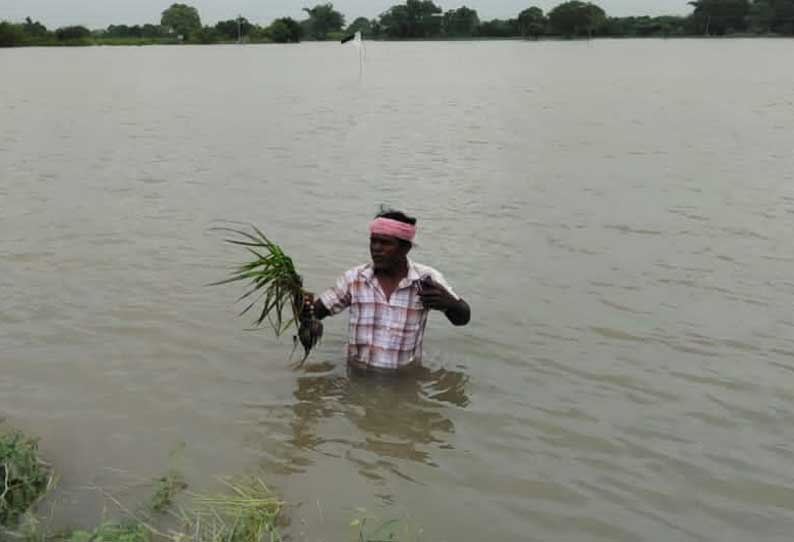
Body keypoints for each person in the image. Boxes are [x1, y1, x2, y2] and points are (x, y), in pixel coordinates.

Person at [306, 209, 471, 372]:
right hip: (359, 376)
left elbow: (462, 319)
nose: (376, 248)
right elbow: (315, 312)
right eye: (373, 241)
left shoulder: (425, 280)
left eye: (385, 243)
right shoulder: (355, 279)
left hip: (402, 378)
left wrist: (450, 303)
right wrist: (304, 307)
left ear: (405, 248)